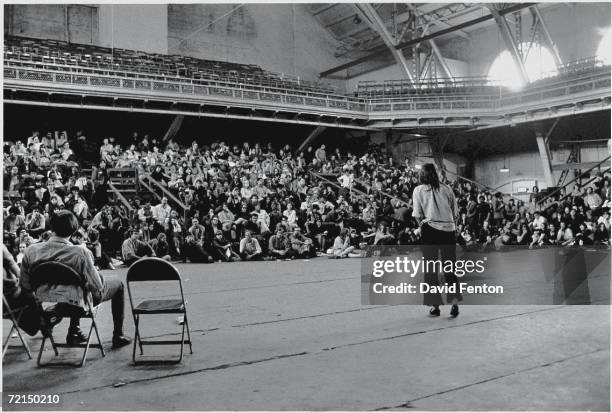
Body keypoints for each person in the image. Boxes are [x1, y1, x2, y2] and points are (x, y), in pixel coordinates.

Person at [19, 210, 131, 348]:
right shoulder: (79, 252)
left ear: (51, 227)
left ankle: (72, 328)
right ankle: (118, 336)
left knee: (76, 285)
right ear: (74, 229)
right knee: (117, 284)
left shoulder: (31, 250)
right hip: (77, 299)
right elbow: (97, 287)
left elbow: (25, 285)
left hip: (45, 296)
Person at [412, 164, 461, 318]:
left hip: (430, 230)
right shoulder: (447, 189)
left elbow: (417, 214)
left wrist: (422, 225)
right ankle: (454, 303)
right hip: (448, 230)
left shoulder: (418, 190)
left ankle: (435, 306)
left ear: (422, 175)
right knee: (449, 269)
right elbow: (456, 213)